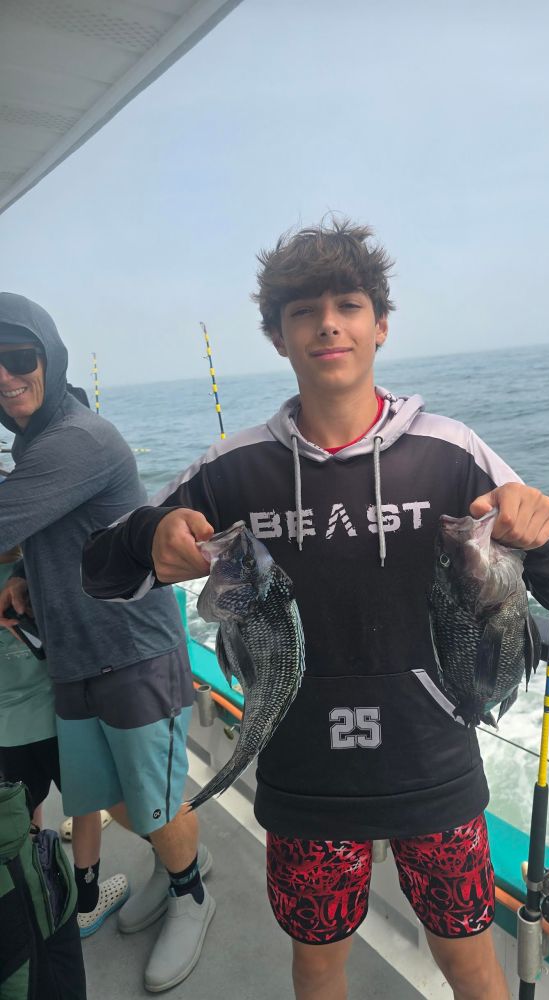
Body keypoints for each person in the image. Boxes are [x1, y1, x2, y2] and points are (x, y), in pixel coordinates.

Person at [82, 219, 549, 1000]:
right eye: (304, 311)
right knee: (318, 963)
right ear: (279, 337)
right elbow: (101, 573)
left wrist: (547, 532)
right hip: (303, 779)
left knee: (468, 960)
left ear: (379, 326)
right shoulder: (234, 470)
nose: (328, 322)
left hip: (435, 770)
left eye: (349, 304)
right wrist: (150, 537)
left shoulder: (452, 450)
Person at [0, 294, 215, 993]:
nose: (5, 376)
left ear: (49, 358)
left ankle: (192, 892)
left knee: (149, 798)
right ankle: (173, 868)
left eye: (19, 357)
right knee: (114, 793)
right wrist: (29, 578)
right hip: (72, 652)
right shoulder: (32, 444)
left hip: (132, 650)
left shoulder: (78, 438)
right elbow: (60, 531)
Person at [0, 521, 120, 939]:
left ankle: (37, 890)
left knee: (22, 808)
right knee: (85, 805)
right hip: (61, 720)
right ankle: (86, 904)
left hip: (6, 732)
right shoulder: (39, 571)